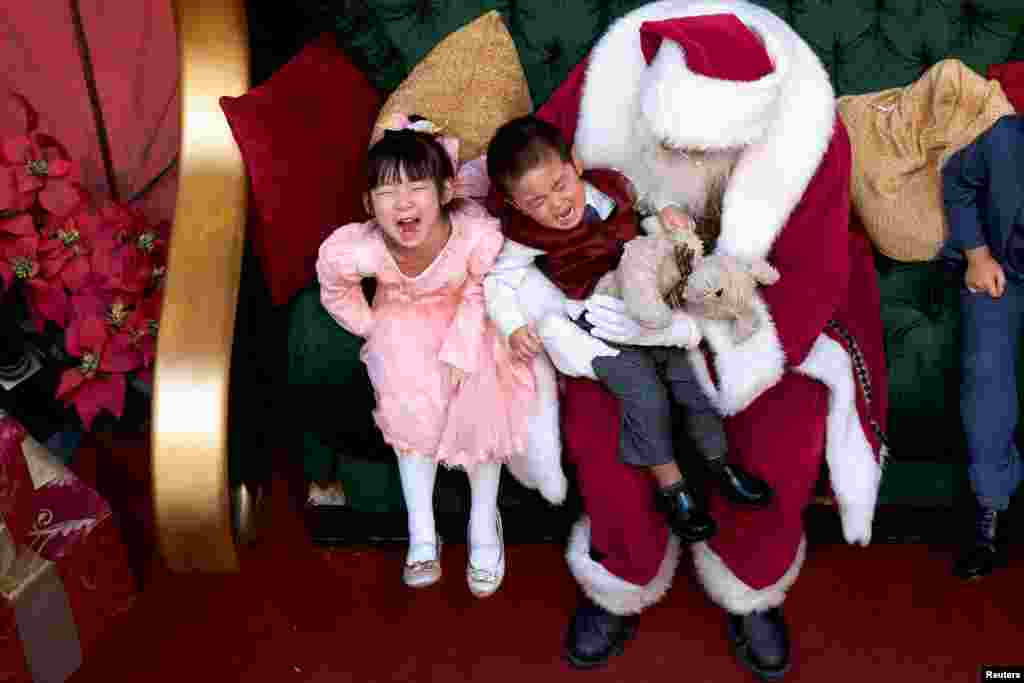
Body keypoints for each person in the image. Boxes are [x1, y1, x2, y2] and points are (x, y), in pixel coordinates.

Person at [503, 1, 889, 677]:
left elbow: (812, 266)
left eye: (706, 149)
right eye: (674, 142)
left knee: (786, 420)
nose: (686, 157)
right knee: (598, 418)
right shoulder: (611, 77)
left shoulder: (808, 125)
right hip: (622, 287)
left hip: (757, 300)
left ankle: (753, 580)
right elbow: (520, 190)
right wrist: (567, 317)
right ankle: (623, 573)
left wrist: (715, 343)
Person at [484, 114, 774, 553]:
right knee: (645, 395)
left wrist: (665, 212)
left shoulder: (610, 189)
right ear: (518, 206)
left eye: (561, 184)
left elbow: (647, 200)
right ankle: (673, 490)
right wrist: (513, 326)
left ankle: (721, 466)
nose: (558, 204)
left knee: (691, 385)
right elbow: (498, 282)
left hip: (650, 309)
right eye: (537, 201)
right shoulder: (525, 236)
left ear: (576, 165)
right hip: (600, 323)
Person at [316, 125, 544, 597]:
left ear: (444, 192)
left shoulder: (472, 234)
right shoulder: (363, 247)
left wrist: (462, 346)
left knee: (481, 393)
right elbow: (334, 282)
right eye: (387, 191)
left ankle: (485, 521)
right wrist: (368, 325)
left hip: (468, 315)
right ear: (368, 205)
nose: (403, 203)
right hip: (402, 322)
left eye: (417, 188)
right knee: (406, 398)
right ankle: (422, 532)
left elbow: (486, 286)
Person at [941, 113, 1024, 580]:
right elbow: (957, 180)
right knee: (986, 374)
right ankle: (989, 508)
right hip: (1002, 271)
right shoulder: (1005, 137)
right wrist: (977, 254)